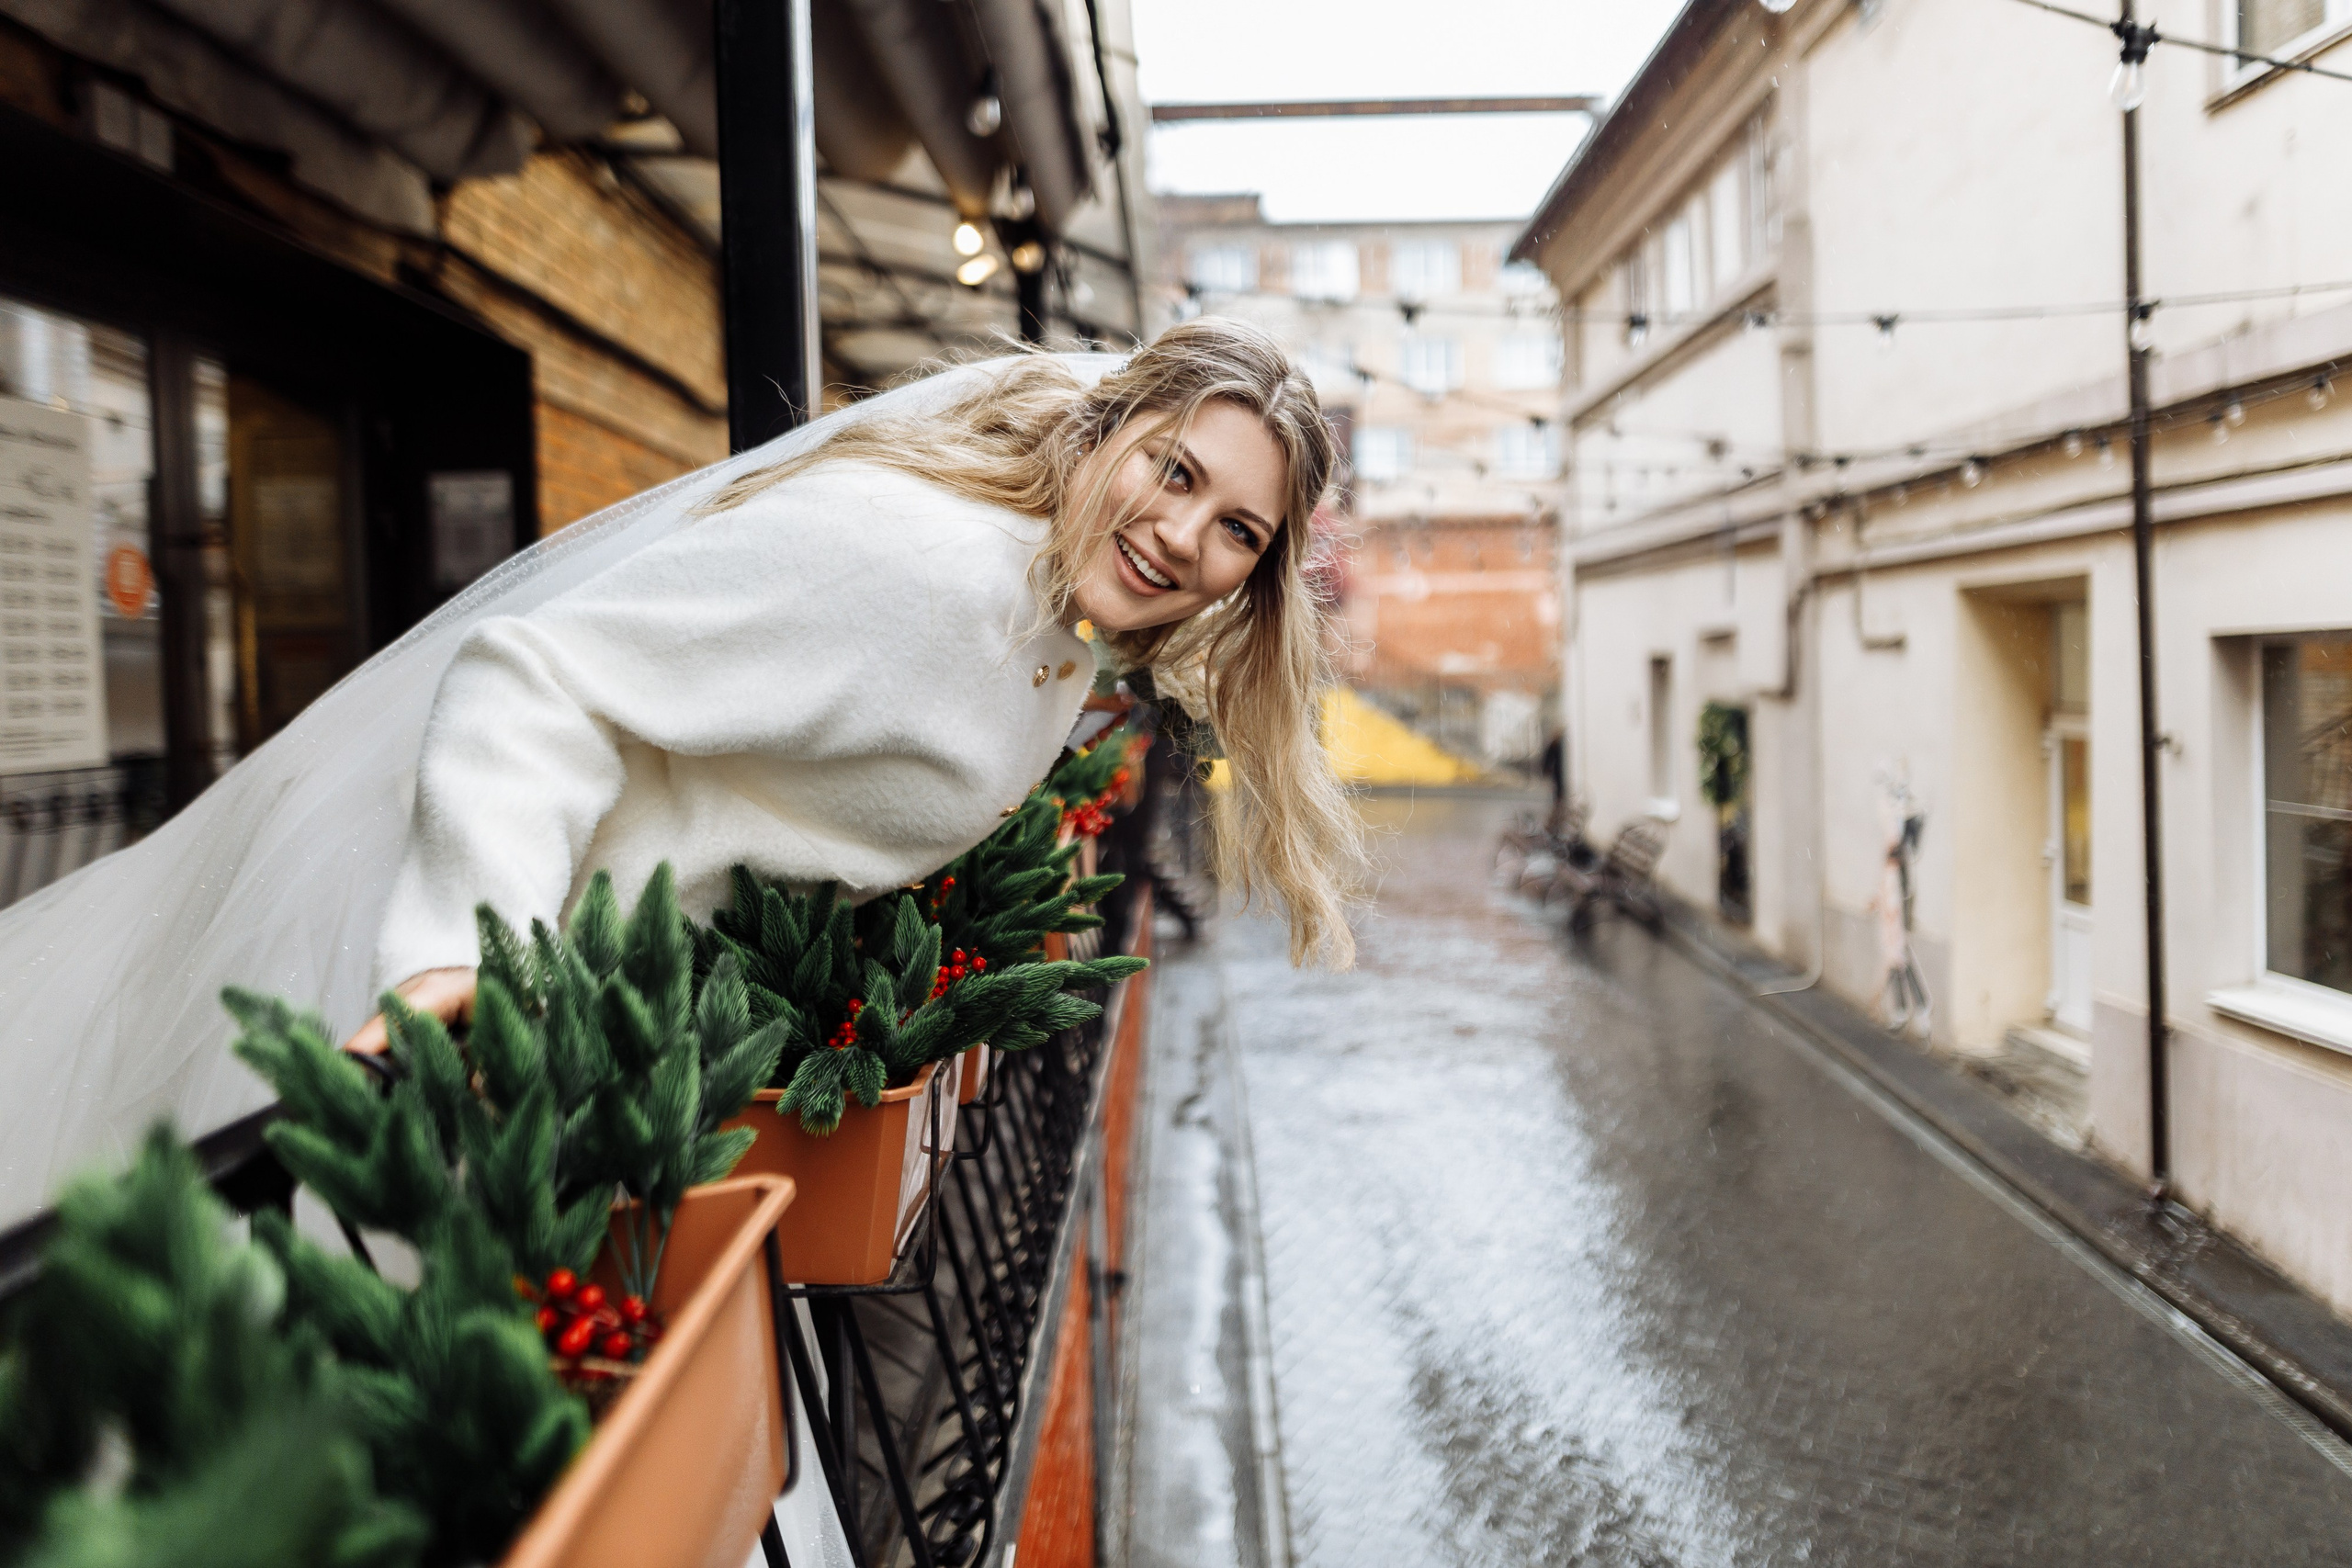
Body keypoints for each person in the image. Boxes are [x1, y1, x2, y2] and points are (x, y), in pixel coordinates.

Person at [0, 318, 1363, 1230]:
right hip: (445, 969)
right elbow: (535, 675)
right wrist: (462, 953)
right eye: (1173, 470)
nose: (1184, 534)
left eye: (1236, 526)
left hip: (585, 1017)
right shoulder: (924, 571)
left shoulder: (1053, 615)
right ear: (1104, 431)